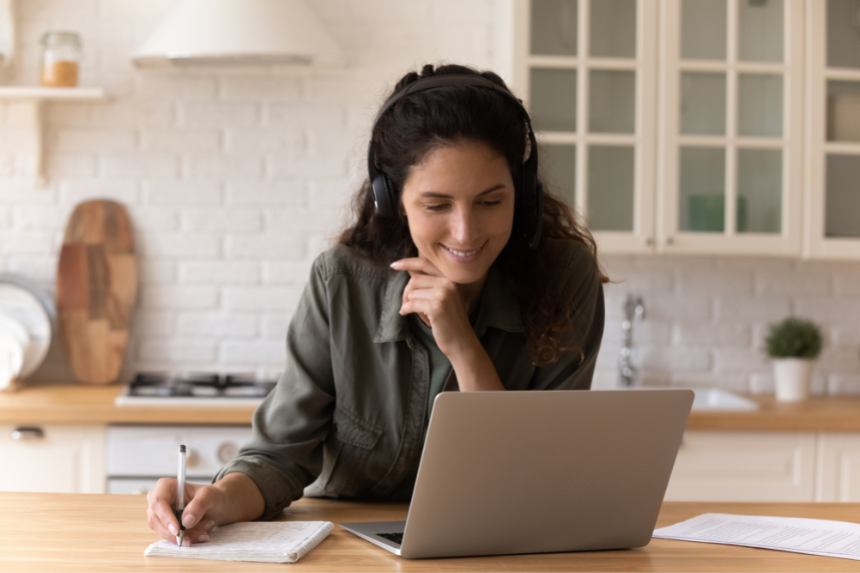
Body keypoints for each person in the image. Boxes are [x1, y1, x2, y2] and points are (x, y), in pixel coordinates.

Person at [146, 63, 607, 546]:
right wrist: (215, 500)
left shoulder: (565, 277)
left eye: (491, 202)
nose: (466, 232)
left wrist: (463, 347)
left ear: (523, 192)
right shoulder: (340, 281)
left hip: (496, 545)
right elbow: (279, 457)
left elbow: (532, 482)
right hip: (347, 547)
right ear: (393, 200)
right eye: (436, 206)